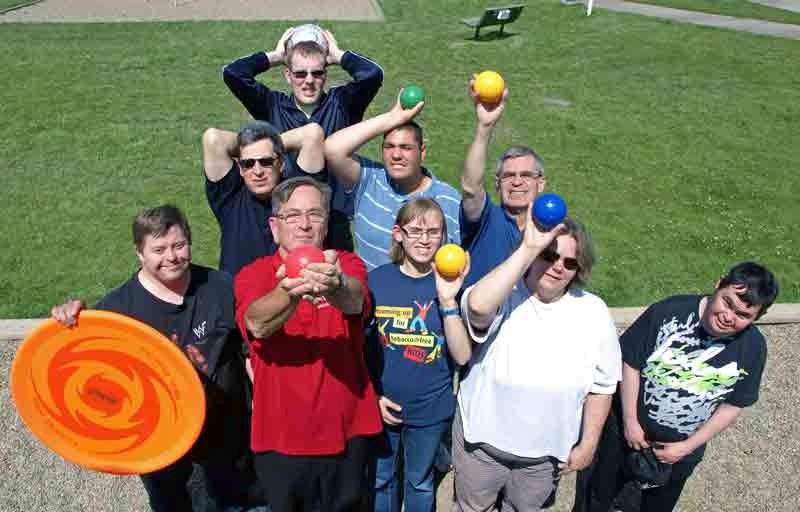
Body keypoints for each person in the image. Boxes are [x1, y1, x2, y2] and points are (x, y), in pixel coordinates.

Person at [50, 205, 261, 512]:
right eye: (158, 250)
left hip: (228, 444)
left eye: (179, 245)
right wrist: (70, 320)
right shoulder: (116, 310)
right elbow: (85, 372)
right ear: (140, 254)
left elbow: (250, 354)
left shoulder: (219, 286)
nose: (172, 257)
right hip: (162, 453)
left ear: (189, 241)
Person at [576, 262, 779, 512]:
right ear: (718, 285)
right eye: (727, 303)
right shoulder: (669, 311)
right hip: (623, 434)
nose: (729, 317)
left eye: (743, 315)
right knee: (596, 499)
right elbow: (630, 362)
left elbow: (733, 404)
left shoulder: (753, 347)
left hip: (678, 452)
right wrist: (630, 422)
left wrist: (688, 446)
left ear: (757, 317)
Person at [454, 210, 621, 511]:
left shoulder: (594, 312)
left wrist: (588, 443)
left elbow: (603, 385)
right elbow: (477, 308)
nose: (558, 267)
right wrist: (528, 248)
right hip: (481, 445)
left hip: (543, 459)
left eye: (570, 262)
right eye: (549, 255)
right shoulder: (505, 292)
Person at [234, 176, 382, 512]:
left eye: (315, 214)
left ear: (326, 223)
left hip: (348, 433)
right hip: (281, 440)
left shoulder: (346, 264)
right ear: (274, 226)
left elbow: (356, 301)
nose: (304, 224)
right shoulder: (254, 274)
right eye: (293, 215)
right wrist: (289, 290)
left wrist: (335, 284)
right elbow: (256, 323)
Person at [223, 26, 384, 249]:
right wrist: (275, 56)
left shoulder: (342, 103)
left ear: (325, 74)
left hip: (332, 221)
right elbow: (233, 73)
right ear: (287, 75)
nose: (309, 81)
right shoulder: (272, 105)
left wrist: (338, 56)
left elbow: (372, 75)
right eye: (300, 73)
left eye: (317, 73)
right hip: (289, 222)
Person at [367, 198, 472, 512]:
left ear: (444, 238)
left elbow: (463, 355)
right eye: (416, 231)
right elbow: (360, 348)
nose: (425, 239)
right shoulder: (376, 281)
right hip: (383, 404)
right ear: (398, 233)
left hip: (430, 407)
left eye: (434, 232)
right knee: (382, 480)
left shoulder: (452, 285)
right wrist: (373, 395)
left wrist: (448, 300)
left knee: (420, 482)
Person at [324, 93, 461, 271]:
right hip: (372, 296)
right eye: (389, 147)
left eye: (406, 148)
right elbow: (333, 149)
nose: (396, 155)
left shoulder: (447, 199)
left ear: (422, 151)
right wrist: (392, 118)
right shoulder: (369, 181)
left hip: (424, 298)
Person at [204, 120, 350, 276]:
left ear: (281, 164)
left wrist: (271, 142)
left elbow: (312, 134)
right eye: (248, 163)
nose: (257, 171)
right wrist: (263, 145)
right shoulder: (229, 197)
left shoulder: (298, 191)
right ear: (240, 168)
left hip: (296, 292)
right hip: (239, 297)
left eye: (266, 162)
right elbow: (213, 138)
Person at [459, 80, 548, 288]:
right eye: (509, 176)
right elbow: (471, 189)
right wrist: (485, 127)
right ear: (498, 184)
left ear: (540, 183)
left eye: (526, 175)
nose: (517, 182)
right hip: (479, 318)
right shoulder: (486, 218)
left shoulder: (552, 230)